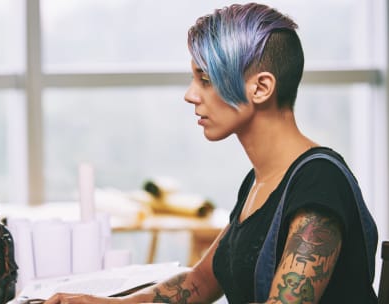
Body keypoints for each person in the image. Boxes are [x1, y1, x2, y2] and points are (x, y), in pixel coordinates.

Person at [44, 3, 378, 303]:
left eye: (205, 79)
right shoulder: (260, 182)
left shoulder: (319, 182)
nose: (190, 95)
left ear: (261, 88)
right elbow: (199, 284)